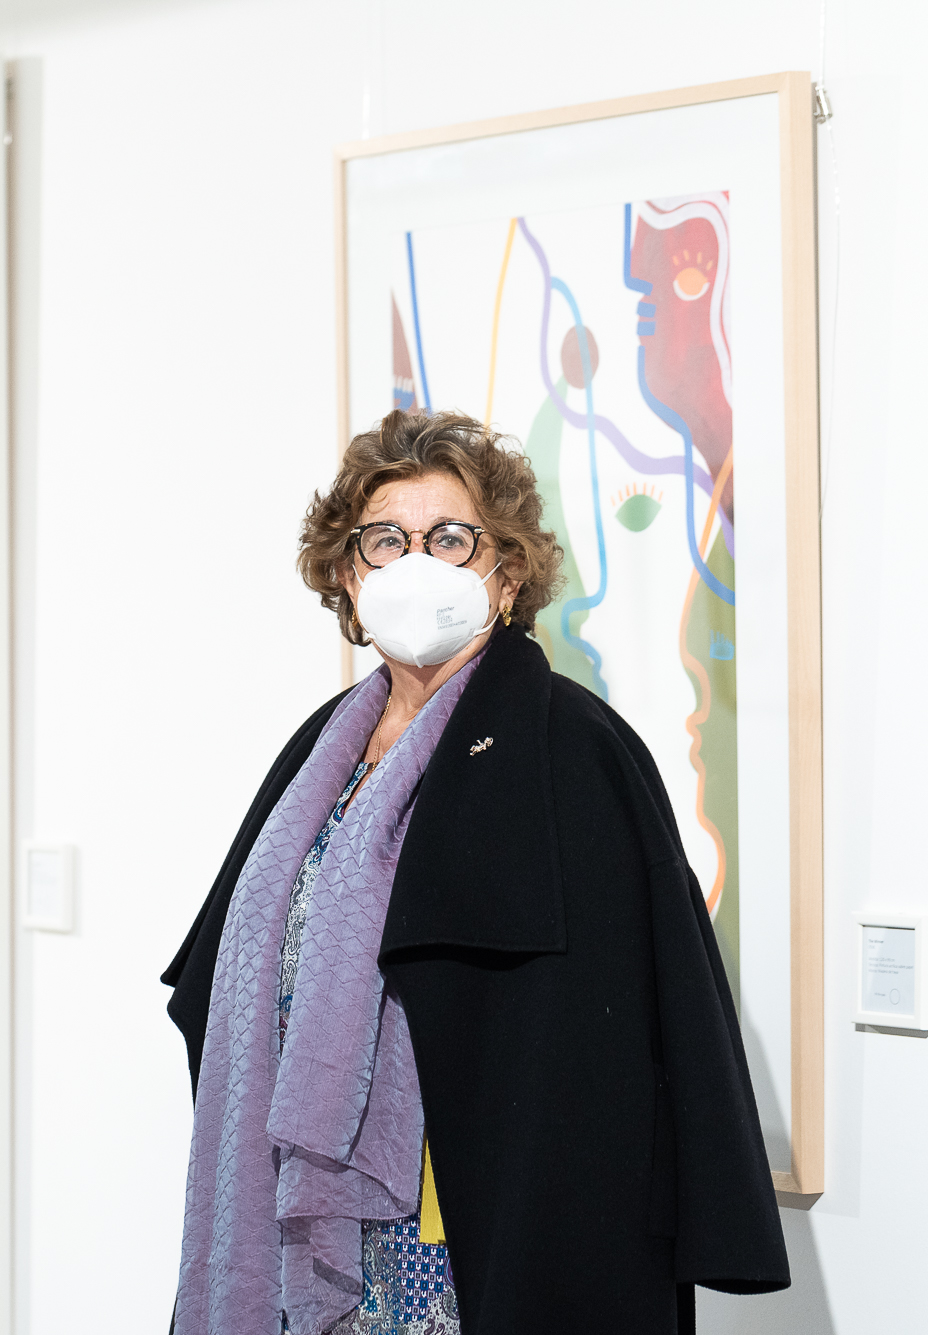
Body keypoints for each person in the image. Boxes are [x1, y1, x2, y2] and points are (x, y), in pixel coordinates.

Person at [163, 409, 788, 1334]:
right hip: (310, 1221)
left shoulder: (574, 748)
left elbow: (640, 1024)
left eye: (450, 538)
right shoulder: (318, 752)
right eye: (386, 540)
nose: (416, 563)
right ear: (350, 576)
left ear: (507, 574)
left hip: (465, 1237)